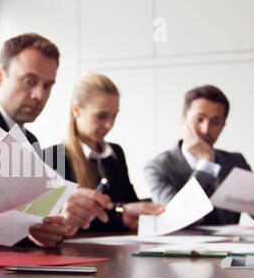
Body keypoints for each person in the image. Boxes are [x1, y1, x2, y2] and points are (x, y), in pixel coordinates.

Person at [0, 32, 109, 246]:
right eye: (29, 81)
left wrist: (50, 227)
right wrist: (58, 202)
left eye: (48, 85)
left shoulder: (30, 139)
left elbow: (27, 220)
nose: (39, 95)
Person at [144, 85, 254, 226]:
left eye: (216, 122)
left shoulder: (235, 162)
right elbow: (179, 215)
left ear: (223, 126)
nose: (206, 129)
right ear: (183, 120)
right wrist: (206, 164)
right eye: (199, 119)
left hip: (231, 249)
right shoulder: (158, 167)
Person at [40, 74, 162, 232]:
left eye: (114, 116)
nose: (109, 125)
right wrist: (120, 214)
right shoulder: (52, 158)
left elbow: (129, 201)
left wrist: (148, 208)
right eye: (101, 116)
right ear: (76, 110)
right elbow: (63, 218)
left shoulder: (116, 153)